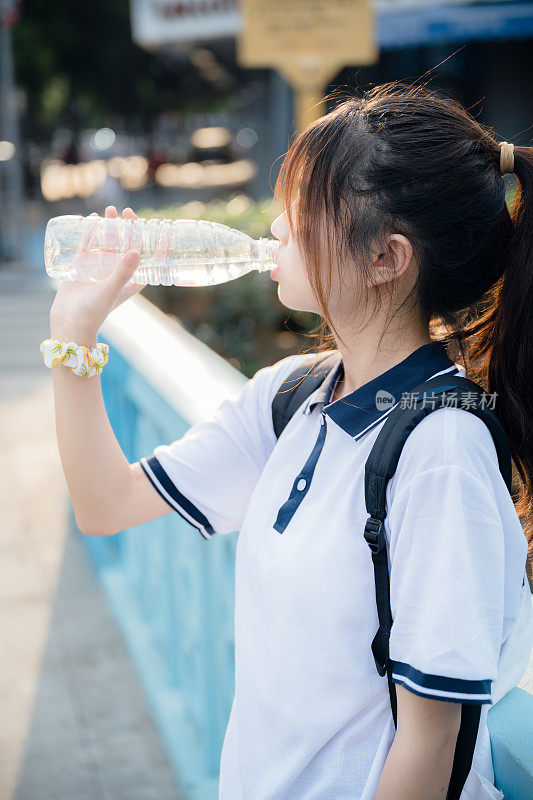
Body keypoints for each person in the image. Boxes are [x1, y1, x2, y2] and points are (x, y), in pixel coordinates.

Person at [46, 81, 533, 800]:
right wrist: (75, 335)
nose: (275, 228)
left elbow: (431, 746)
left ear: (386, 258)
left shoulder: (441, 450)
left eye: (302, 212)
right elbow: (106, 506)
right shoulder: (293, 397)